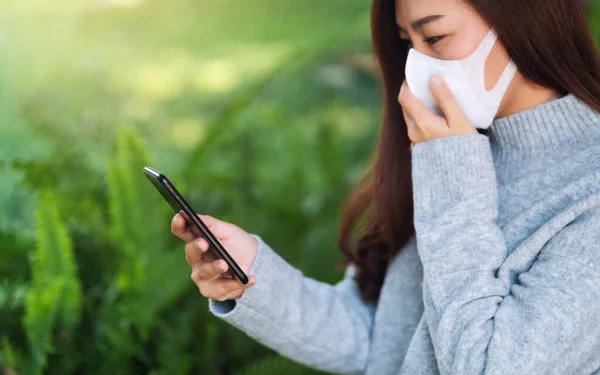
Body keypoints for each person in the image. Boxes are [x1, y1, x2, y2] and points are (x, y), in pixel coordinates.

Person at [171, 0, 600, 373]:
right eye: (408, 43)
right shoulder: (452, 144)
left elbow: (484, 365)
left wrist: (452, 175)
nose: (418, 67)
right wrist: (254, 275)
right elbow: (385, 337)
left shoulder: (579, 190)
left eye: (434, 38)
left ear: (524, 20)